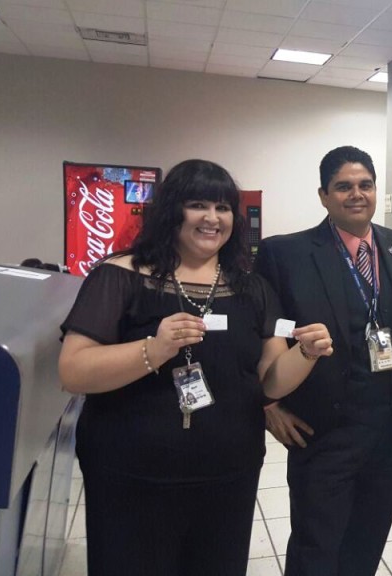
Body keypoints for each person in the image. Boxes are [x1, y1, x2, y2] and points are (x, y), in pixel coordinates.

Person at [58, 159, 333, 576]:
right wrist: (153, 348)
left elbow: (269, 382)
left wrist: (306, 354)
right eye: (198, 205)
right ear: (172, 211)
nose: (212, 218)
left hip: (227, 475)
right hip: (130, 475)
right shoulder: (121, 276)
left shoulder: (251, 288)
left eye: (223, 208)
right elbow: (73, 370)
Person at [254, 146, 392, 576]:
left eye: (365, 185)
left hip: (388, 430)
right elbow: (262, 332)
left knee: (366, 542)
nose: (356, 194)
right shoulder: (284, 254)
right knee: (317, 547)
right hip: (324, 431)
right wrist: (268, 404)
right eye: (343, 186)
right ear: (323, 195)